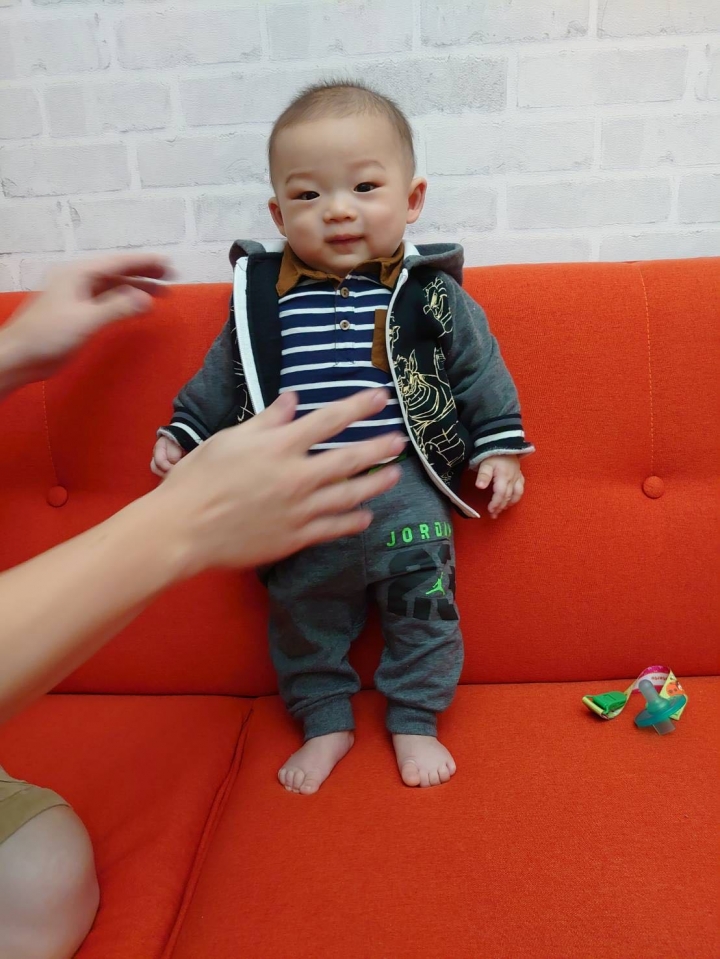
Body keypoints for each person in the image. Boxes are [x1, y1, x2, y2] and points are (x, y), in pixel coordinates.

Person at [0, 255, 402, 959]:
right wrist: (181, 520)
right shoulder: (260, 308)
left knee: (42, 875)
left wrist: (10, 355)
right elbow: (212, 390)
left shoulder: (423, 299)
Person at [151, 81, 535, 796]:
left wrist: (500, 445)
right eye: (308, 194)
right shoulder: (263, 300)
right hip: (300, 499)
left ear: (412, 200)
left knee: (426, 610)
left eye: (364, 186)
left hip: (404, 493)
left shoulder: (428, 292)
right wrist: (186, 429)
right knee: (301, 614)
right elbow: (228, 371)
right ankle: (324, 718)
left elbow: (479, 367)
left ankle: (415, 715)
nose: (337, 209)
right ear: (278, 213)